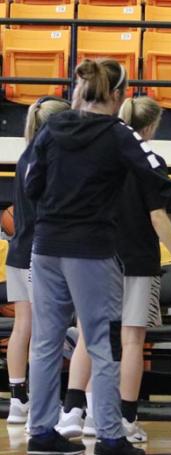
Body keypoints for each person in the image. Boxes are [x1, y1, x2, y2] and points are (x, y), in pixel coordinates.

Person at [25, 58, 171, 455]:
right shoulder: (118, 134)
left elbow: (30, 184)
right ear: (118, 95)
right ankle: (111, 437)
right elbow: (161, 187)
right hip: (91, 250)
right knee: (105, 342)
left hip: (45, 247)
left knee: (46, 341)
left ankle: (41, 433)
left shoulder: (53, 128)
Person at [5, 96, 71, 426]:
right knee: (43, 331)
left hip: (18, 250)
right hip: (37, 252)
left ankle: (18, 399)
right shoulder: (50, 159)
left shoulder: (25, 156)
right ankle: (43, 403)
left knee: (23, 326)